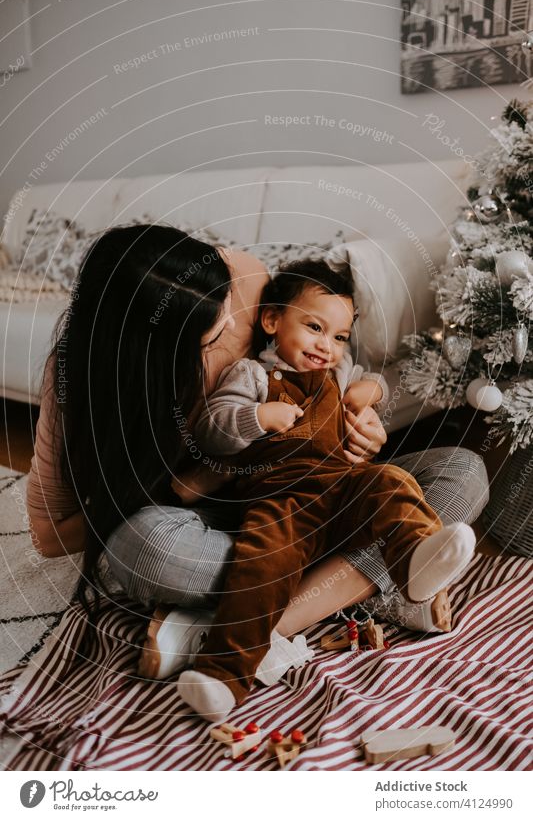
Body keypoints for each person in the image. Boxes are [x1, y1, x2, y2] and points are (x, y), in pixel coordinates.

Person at [26, 225, 488, 687]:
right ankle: (364, 580)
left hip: (335, 493)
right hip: (242, 513)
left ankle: (235, 628)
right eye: (213, 324)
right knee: (143, 550)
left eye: (229, 306)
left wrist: (365, 428)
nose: (233, 323)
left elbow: (342, 379)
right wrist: (210, 473)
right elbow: (50, 537)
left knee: (464, 470)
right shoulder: (79, 379)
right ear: (153, 349)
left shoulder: (243, 278)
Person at [175, 260, 477, 722]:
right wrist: (258, 418)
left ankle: (415, 557)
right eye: (314, 327)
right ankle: (223, 675)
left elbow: (370, 383)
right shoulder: (252, 375)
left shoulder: (338, 376)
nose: (327, 346)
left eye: (338, 337)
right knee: (263, 563)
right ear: (273, 321)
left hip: (345, 490)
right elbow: (213, 427)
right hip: (283, 502)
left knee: (392, 482)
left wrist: (369, 400)